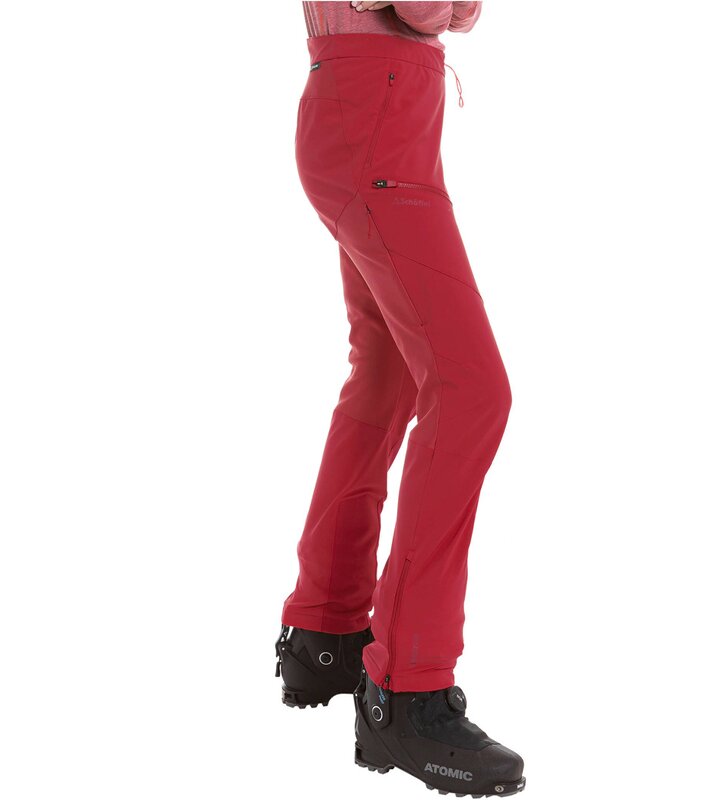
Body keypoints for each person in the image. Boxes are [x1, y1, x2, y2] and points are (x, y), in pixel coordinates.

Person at [275, 3, 526, 795]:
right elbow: (431, 10)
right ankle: (407, 690)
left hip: (375, 116)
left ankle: (325, 630)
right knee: (471, 389)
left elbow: (455, 13)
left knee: (385, 371)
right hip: (374, 120)